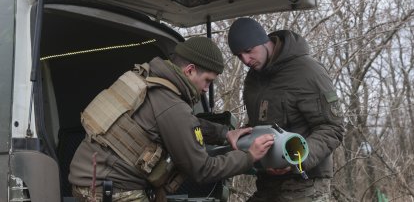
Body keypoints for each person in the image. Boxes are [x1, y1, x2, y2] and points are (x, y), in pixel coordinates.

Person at [69, 36, 275, 202]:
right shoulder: (172, 104)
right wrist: (249, 156)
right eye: (207, 81)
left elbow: (183, 124)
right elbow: (202, 169)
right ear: (190, 70)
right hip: (111, 190)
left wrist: (224, 133)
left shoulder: (150, 81)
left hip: (88, 181)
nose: (206, 89)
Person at [227, 18, 344, 202]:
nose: (245, 60)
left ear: (263, 40)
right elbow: (259, 123)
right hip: (267, 182)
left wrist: (297, 160)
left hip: (305, 184)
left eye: (249, 51)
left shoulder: (308, 71)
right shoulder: (253, 78)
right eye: (239, 56)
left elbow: (332, 128)